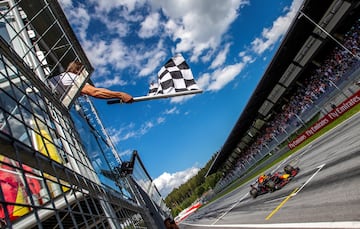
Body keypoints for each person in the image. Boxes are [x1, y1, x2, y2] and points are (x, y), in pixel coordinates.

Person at [58, 61, 133, 103]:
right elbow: (95, 92)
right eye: (84, 71)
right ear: (78, 70)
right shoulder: (75, 78)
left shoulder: (66, 76)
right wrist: (120, 95)